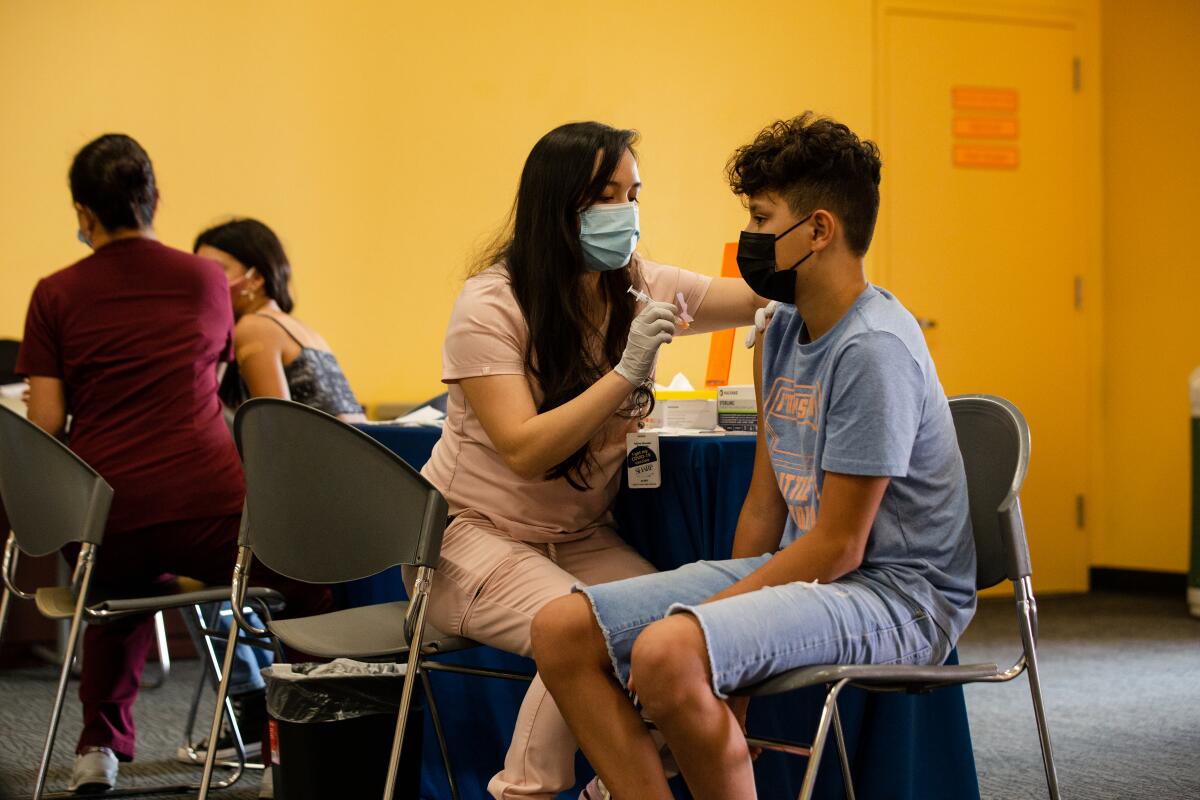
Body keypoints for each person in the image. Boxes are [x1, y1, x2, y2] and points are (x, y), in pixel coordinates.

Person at [531, 112, 978, 800]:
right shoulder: (784, 330)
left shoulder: (874, 349)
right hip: (814, 575)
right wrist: (727, 630)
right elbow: (765, 503)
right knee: (560, 629)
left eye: (763, 218)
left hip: (901, 597)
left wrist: (714, 629)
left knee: (667, 651)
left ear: (819, 230)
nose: (751, 237)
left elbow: (839, 545)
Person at [415, 121, 766, 799]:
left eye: (634, 194)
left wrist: (788, 288)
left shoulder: (636, 285)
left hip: (578, 542)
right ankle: (528, 791)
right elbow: (522, 449)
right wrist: (625, 371)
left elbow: (754, 295)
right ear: (559, 205)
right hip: (471, 543)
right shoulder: (490, 303)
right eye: (607, 196)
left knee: (682, 642)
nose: (626, 213)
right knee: (589, 634)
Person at [17, 134, 331, 794]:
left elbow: (45, 423)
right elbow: (204, 378)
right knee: (303, 588)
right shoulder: (202, 282)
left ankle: (97, 749)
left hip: (107, 513)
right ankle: (300, 744)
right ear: (154, 199)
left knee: (117, 587)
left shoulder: (53, 293)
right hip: (211, 502)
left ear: (83, 213)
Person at [193, 218, 365, 421]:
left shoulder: (254, 328)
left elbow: (277, 428)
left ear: (255, 278)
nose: (203, 282)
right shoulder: (296, 327)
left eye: (215, 271)